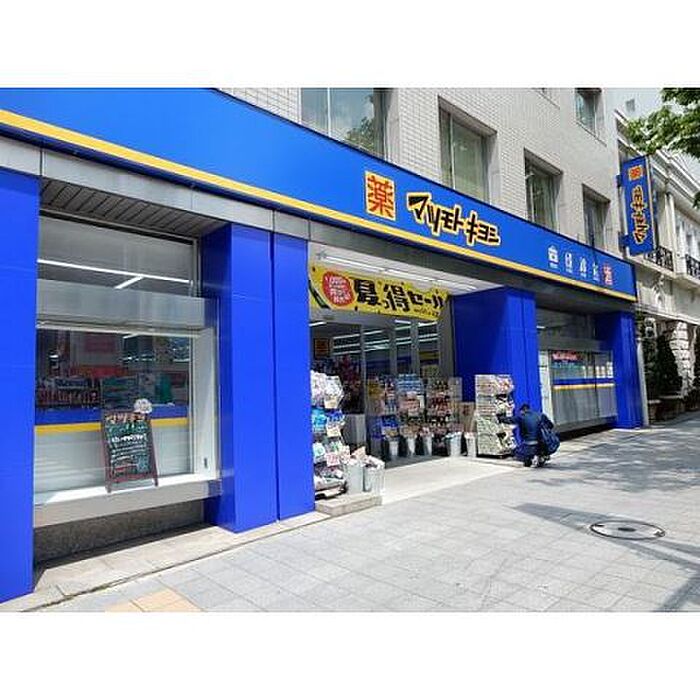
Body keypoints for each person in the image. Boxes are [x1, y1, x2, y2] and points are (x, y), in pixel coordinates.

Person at [499, 403, 556, 467]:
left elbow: (509, 420)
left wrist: (500, 418)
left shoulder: (521, 417)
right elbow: (551, 425)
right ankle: (542, 456)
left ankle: (529, 459)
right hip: (544, 444)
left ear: (522, 411)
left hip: (529, 445)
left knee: (515, 452)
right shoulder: (540, 415)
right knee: (539, 446)